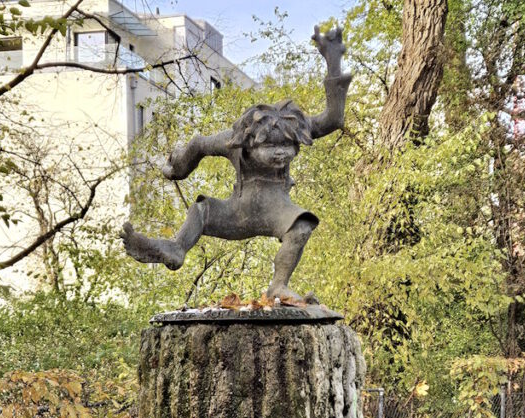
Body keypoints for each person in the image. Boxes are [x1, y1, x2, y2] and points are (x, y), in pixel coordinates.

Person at [121, 26, 352, 303]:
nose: (280, 153)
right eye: (269, 148)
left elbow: (333, 118)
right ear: (251, 142)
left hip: (278, 212)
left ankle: (278, 286)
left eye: (287, 147)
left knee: (301, 227)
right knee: (201, 210)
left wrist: (333, 61)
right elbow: (199, 144)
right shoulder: (235, 141)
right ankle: (176, 248)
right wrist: (178, 168)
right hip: (237, 213)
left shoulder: (296, 127)